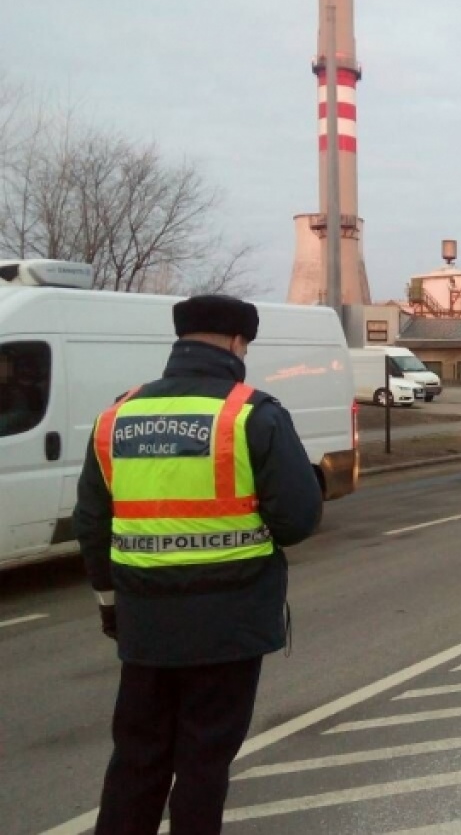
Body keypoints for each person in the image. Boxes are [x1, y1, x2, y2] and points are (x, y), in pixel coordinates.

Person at [75, 294, 323, 835]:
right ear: (239, 343)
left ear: (180, 340)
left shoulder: (116, 415)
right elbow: (299, 519)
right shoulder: (251, 414)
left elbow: (92, 525)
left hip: (145, 626)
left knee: (136, 759)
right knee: (203, 764)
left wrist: (112, 606)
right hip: (228, 627)